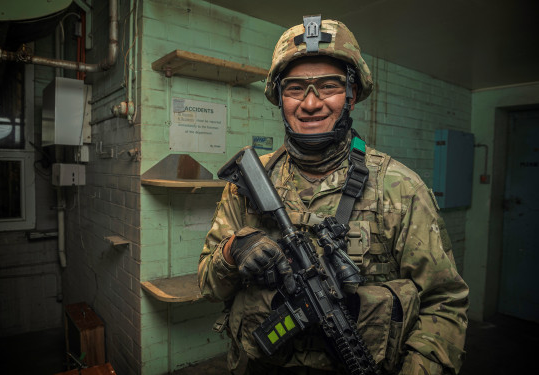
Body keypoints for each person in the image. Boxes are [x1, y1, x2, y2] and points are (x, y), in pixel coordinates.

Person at [198, 15, 468, 375]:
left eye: (328, 86)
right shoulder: (248, 181)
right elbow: (209, 286)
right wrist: (233, 251)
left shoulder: (400, 188)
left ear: (352, 95)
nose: (311, 104)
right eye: (295, 88)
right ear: (279, 96)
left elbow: (444, 304)